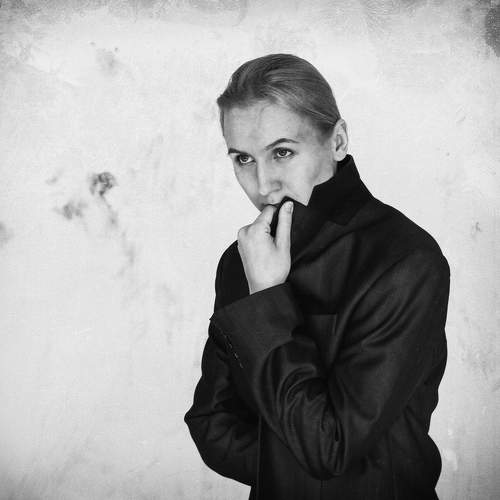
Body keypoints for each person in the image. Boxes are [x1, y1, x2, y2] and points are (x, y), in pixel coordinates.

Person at [184, 53, 450, 500]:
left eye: (282, 152)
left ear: (338, 141)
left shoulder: (405, 259)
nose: (263, 184)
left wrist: (266, 298)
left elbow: (330, 448)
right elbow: (211, 425)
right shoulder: (241, 259)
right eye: (243, 159)